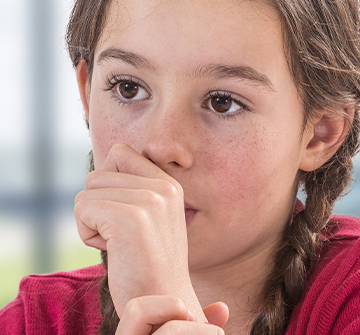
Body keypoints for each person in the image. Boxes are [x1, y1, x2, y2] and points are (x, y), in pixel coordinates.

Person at [1, 0, 360, 334]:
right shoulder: (33, 321)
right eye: (128, 88)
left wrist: (162, 307)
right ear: (87, 96)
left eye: (222, 103)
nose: (159, 146)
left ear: (320, 134)